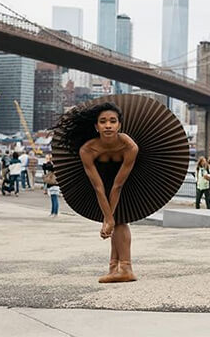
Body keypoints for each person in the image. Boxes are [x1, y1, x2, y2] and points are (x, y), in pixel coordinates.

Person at [54, 101, 139, 283]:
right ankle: (114, 267)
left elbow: (118, 184)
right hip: (101, 181)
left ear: (119, 125)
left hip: (128, 179)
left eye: (113, 121)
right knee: (115, 219)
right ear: (96, 126)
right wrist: (107, 218)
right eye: (103, 121)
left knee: (121, 218)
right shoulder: (87, 149)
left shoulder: (129, 146)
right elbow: (98, 186)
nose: (108, 125)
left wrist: (108, 219)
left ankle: (125, 267)